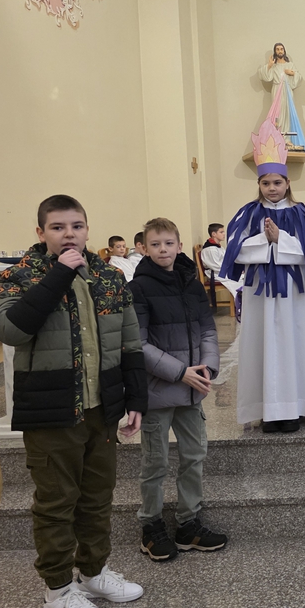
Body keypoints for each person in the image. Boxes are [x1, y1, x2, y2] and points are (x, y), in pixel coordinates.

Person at [0, 195, 147, 608]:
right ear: (41, 233)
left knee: (97, 497)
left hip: (101, 408)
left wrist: (135, 399)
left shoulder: (109, 276)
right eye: (58, 227)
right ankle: (58, 591)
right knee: (57, 501)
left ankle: (93, 573)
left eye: (76, 226)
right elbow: (9, 329)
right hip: (52, 408)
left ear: (88, 230)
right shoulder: (20, 275)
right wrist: (59, 274)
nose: (69, 234)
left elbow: (130, 340)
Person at [128, 217, 228, 562]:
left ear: (180, 246)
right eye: (155, 245)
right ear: (144, 248)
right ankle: (151, 525)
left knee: (194, 455)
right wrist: (180, 372)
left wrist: (207, 367)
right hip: (158, 390)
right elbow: (138, 343)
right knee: (155, 462)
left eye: (169, 243)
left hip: (191, 390)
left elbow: (208, 330)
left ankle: (188, 523)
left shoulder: (191, 284)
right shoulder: (139, 287)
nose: (163, 250)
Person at [221, 117, 305, 433]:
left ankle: (294, 408)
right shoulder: (249, 213)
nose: (272, 188)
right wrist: (264, 241)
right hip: (260, 292)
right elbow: (234, 250)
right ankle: (268, 410)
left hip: (293, 293)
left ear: (287, 183)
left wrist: (281, 239)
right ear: (259, 184)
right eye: (266, 183)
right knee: (262, 346)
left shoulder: (299, 213)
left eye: (277, 183)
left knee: (294, 344)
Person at [257, 42, 305, 152]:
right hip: (277, 91)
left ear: (284, 51)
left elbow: (299, 77)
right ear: (275, 52)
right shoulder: (274, 66)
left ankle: (287, 139)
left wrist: (292, 73)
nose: (280, 51)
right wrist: (269, 65)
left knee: (287, 115)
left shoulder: (290, 65)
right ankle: (278, 138)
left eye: (281, 49)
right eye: (278, 49)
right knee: (278, 114)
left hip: (287, 91)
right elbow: (264, 76)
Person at [200, 222, 242, 298]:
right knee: (238, 279)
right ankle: (238, 300)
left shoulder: (218, 247)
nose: (224, 234)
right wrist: (231, 270)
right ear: (214, 234)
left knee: (242, 276)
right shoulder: (210, 249)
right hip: (216, 274)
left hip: (221, 272)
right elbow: (216, 266)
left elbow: (226, 260)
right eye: (221, 232)